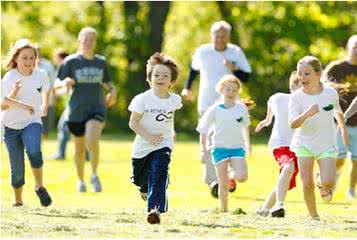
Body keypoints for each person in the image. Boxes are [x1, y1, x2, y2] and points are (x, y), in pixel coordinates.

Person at [181, 20, 252, 198]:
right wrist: (188, 88)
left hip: (230, 106)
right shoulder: (203, 51)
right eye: (217, 35)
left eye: (223, 36)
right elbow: (193, 70)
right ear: (212, 36)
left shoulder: (235, 52)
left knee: (226, 140)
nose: (220, 39)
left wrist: (233, 67)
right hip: (206, 103)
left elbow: (247, 76)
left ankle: (227, 177)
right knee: (207, 141)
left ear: (228, 36)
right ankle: (213, 181)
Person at [55, 27, 117, 192]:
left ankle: (95, 175)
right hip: (76, 110)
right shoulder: (71, 62)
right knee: (79, 149)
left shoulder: (100, 62)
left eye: (92, 39)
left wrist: (113, 91)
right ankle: (81, 180)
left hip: (97, 107)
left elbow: (107, 82)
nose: (88, 42)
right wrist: (65, 83)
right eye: (85, 39)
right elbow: (56, 84)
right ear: (79, 40)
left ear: (95, 42)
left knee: (92, 138)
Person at [289, 56, 349, 219]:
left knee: (329, 182)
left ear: (318, 74)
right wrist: (307, 114)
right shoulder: (296, 97)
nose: (302, 77)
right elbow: (292, 124)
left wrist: (343, 128)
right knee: (307, 184)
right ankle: (314, 216)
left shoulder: (330, 93)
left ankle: (321, 182)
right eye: (300, 73)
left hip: (326, 142)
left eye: (307, 73)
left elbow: (337, 111)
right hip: (304, 143)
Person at [128, 52, 182, 224]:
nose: (161, 78)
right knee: (139, 179)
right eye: (156, 74)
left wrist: (170, 134)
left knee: (159, 174)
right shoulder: (142, 99)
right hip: (142, 147)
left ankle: (154, 210)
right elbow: (133, 123)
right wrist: (148, 136)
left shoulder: (174, 100)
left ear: (172, 81)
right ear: (149, 79)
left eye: (165, 75)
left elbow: (170, 119)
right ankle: (144, 187)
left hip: (163, 144)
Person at [1, 39, 52, 207]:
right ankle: (18, 201)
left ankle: (39, 186)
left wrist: (44, 105)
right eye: (25, 58)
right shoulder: (10, 76)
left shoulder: (41, 74)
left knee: (34, 151)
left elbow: (46, 89)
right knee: (17, 170)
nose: (29, 62)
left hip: (32, 121)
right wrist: (15, 92)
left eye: (32, 58)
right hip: (11, 127)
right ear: (16, 59)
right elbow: (3, 104)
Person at [197, 75, 250, 212]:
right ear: (221, 90)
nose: (231, 93)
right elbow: (203, 129)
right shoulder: (214, 109)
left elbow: (246, 126)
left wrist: (248, 145)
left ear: (238, 91)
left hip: (237, 148)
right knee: (222, 183)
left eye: (234, 90)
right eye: (228, 89)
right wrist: (203, 149)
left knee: (242, 177)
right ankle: (224, 210)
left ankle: (232, 177)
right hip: (219, 149)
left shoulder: (241, 108)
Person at [255, 72, 301, 218]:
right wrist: (267, 120)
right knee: (288, 168)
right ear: (292, 85)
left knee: (285, 181)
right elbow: (270, 103)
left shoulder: (307, 103)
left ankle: (263, 209)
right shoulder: (279, 98)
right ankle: (279, 205)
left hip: (298, 147)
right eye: (301, 84)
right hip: (280, 144)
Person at [323, 35, 357, 198]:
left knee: (356, 160)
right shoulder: (336, 68)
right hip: (338, 121)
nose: (356, 50)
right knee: (339, 157)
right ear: (348, 48)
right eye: (354, 47)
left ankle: (351, 189)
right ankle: (332, 182)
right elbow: (321, 85)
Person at [35, 44, 57, 138]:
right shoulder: (26, 64)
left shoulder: (48, 65)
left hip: (46, 96)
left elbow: (53, 82)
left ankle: (42, 139)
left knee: (45, 123)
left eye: (38, 51)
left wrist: (53, 97)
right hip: (33, 98)